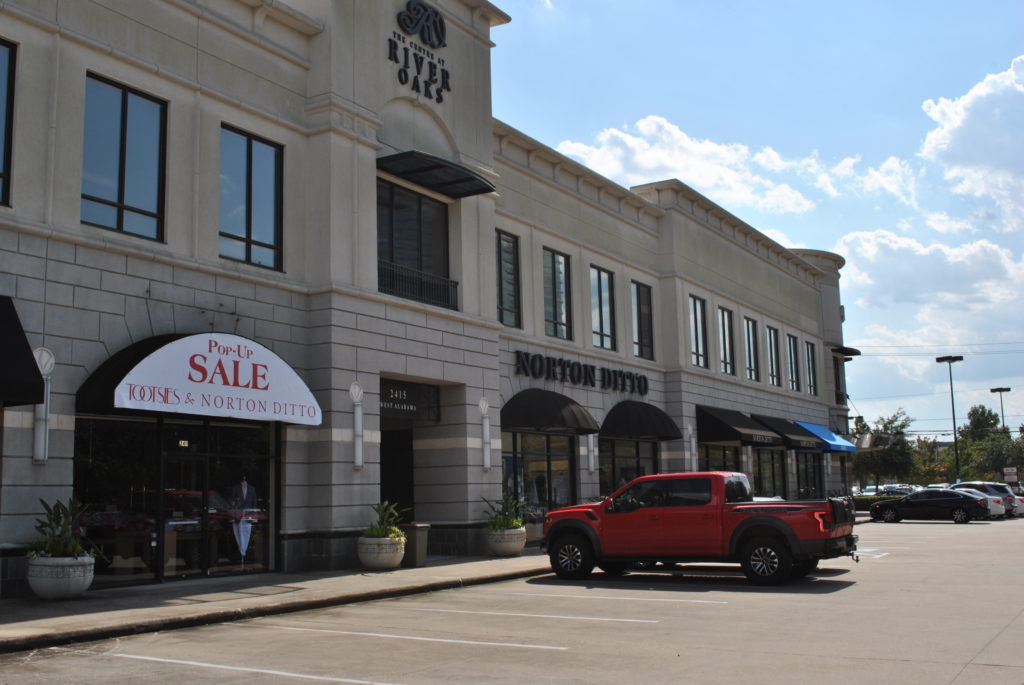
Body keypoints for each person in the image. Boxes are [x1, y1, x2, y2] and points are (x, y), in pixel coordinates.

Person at [230, 476, 257, 560]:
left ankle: (243, 552)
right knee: (238, 534)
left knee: (246, 533)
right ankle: (241, 552)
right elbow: (232, 502)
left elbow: (254, 503)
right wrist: (232, 515)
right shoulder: (235, 488)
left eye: (245, 480)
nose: (243, 481)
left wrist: (255, 516)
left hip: (248, 515)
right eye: (242, 480)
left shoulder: (252, 489)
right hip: (237, 515)